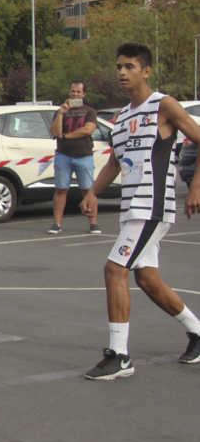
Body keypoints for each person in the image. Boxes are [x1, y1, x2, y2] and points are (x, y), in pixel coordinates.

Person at [80, 43, 200, 380]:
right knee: (148, 280)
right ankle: (197, 332)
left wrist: (196, 188)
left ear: (145, 71)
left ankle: (119, 356)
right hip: (132, 208)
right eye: (119, 66)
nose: (122, 72)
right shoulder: (122, 117)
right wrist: (93, 192)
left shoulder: (164, 105)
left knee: (114, 269)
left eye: (129, 66)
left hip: (152, 206)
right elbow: (115, 162)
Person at [47, 81, 101, 234]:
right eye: (72, 91)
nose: (75, 94)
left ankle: (93, 223)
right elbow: (54, 132)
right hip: (63, 155)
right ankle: (56, 224)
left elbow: (88, 130)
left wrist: (66, 136)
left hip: (83, 155)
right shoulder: (60, 111)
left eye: (78, 92)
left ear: (84, 94)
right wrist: (61, 113)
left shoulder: (89, 111)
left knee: (88, 190)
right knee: (61, 189)